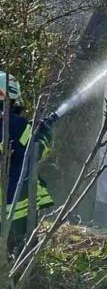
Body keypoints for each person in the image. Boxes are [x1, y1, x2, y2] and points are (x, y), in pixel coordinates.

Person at [0, 73, 54, 249]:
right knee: (17, 254)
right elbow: (35, 152)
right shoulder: (15, 124)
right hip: (14, 210)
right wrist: (44, 134)